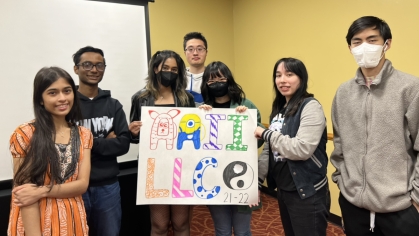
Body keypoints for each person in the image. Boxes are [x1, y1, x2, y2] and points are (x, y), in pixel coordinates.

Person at [331, 16, 419, 235]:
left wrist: (416, 200)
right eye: (357, 42)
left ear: (386, 44)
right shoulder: (343, 93)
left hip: (401, 209)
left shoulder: (410, 88)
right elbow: (340, 144)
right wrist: (343, 184)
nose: (364, 47)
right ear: (350, 48)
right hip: (353, 206)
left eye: (372, 40)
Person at [8, 67, 93, 236]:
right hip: (35, 224)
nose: (62, 98)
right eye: (52, 93)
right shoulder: (26, 134)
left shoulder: (84, 134)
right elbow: (25, 195)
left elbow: (82, 184)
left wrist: (42, 190)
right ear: (41, 99)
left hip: (73, 220)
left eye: (67, 91)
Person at [255, 58, 330, 236]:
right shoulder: (280, 108)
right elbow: (269, 149)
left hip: (307, 191)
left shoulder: (310, 106)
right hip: (284, 189)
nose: (282, 80)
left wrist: (266, 133)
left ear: (301, 79)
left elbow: (302, 149)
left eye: (289, 74)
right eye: (278, 75)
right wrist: (256, 181)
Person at [129, 50, 195, 236]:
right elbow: (134, 137)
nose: (170, 72)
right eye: (165, 68)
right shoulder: (140, 98)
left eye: (174, 69)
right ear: (155, 68)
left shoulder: (186, 98)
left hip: (181, 167)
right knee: (159, 225)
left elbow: (193, 130)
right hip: (154, 169)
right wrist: (132, 131)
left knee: (181, 223)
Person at [199, 61, 263, 236]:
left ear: (229, 80)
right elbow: (196, 147)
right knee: (222, 230)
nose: (217, 84)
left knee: (242, 231)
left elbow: (258, 142)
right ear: (206, 84)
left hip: (241, 175)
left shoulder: (246, 105)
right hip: (214, 176)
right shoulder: (203, 109)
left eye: (221, 78)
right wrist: (201, 118)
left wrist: (246, 123)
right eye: (211, 81)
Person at [73, 46, 130, 236]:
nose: (94, 70)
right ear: (76, 69)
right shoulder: (67, 104)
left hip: (108, 187)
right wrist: (105, 141)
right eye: (87, 65)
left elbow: (123, 144)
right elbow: (66, 147)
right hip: (73, 186)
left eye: (99, 65)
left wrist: (87, 143)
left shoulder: (113, 105)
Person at [183, 32, 208, 105]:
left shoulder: (213, 76)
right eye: (190, 49)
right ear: (185, 53)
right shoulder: (178, 77)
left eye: (200, 49)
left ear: (206, 52)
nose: (195, 53)